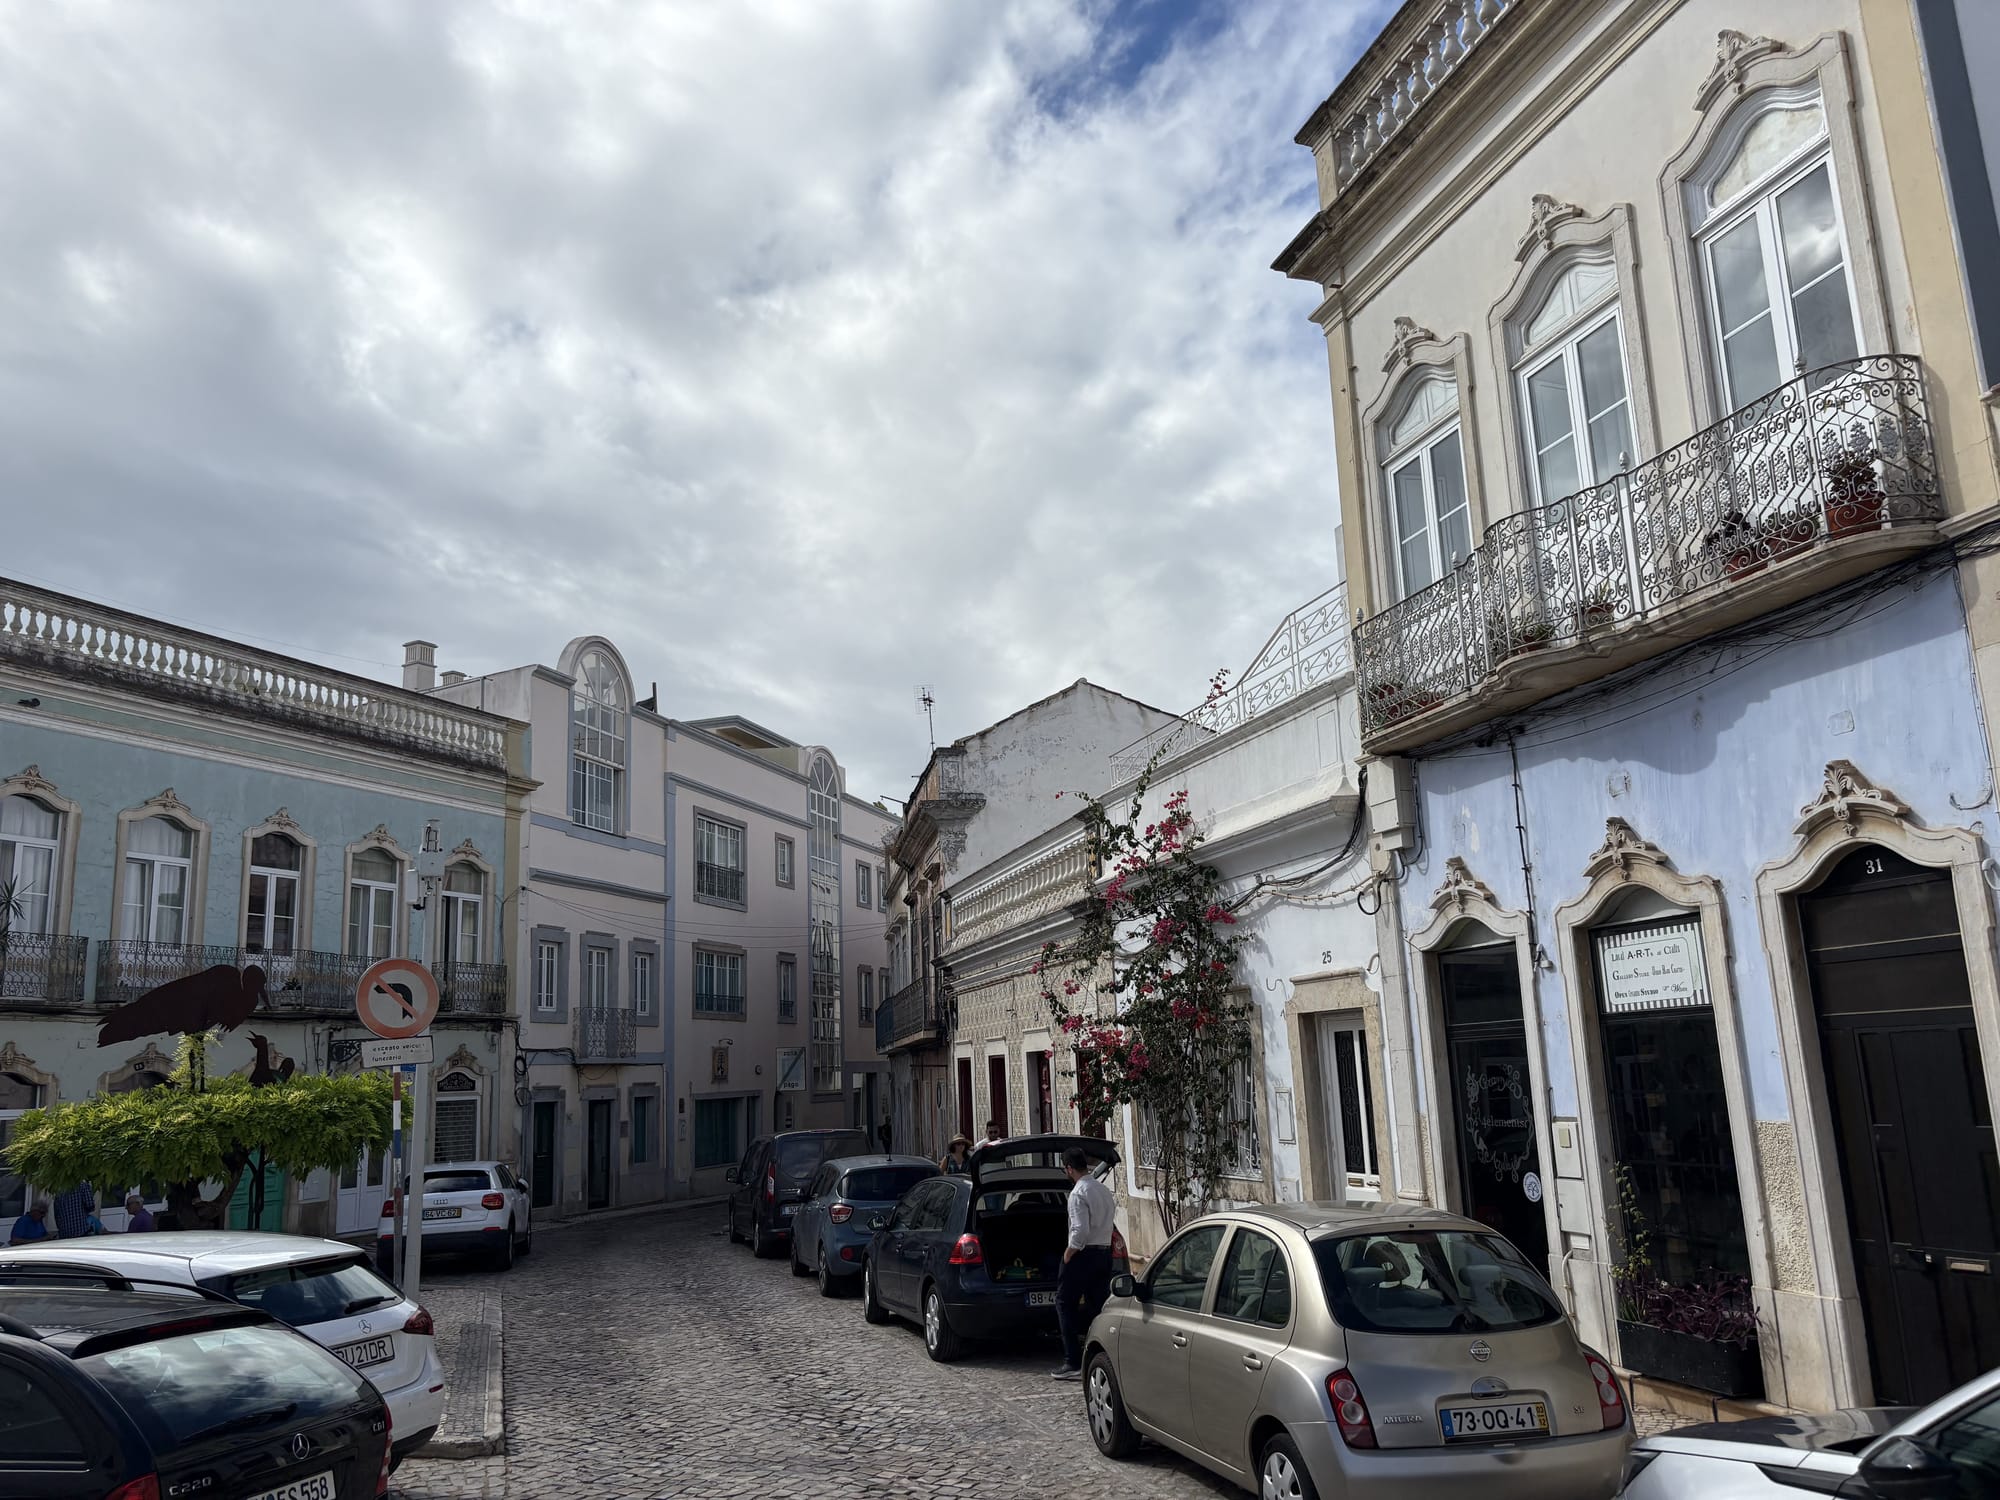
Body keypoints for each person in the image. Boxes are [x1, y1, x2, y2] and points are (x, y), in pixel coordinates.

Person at [1051, 1145, 1117, 1381]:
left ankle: (1072, 1361)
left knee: (1064, 1303)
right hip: (1104, 1253)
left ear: (1069, 1169)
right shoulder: (1102, 1190)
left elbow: (1079, 1230)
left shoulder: (1078, 1193)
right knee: (1097, 1305)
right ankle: (1103, 1354)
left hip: (1083, 1254)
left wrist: (1068, 1254)